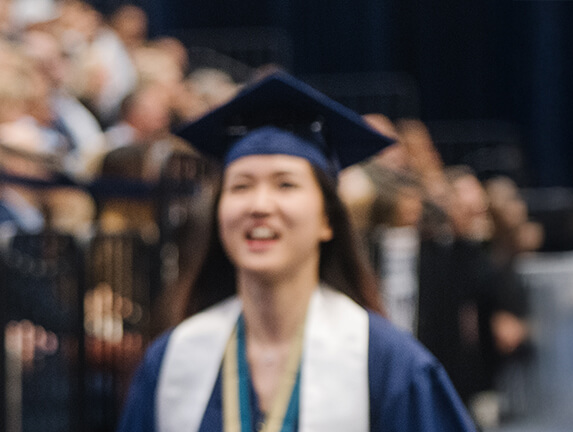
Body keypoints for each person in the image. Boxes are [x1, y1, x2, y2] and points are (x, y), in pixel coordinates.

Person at [117, 73, 477, 432]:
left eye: (285, 184)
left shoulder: (388, 365)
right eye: (240, 186)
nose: (259, 205)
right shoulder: (173, 362)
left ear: (328, 219)